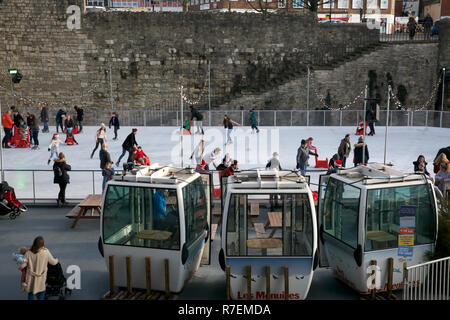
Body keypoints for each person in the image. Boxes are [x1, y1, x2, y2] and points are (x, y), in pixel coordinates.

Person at [20, 236, 58, 300]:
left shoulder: (28, 253)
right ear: (42, 244)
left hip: (30, 277)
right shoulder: (46, 252)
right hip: (41, 276)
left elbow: (22, 266)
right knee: (41, 291)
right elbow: (53, 262)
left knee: (31, 292)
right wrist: (57, 260)